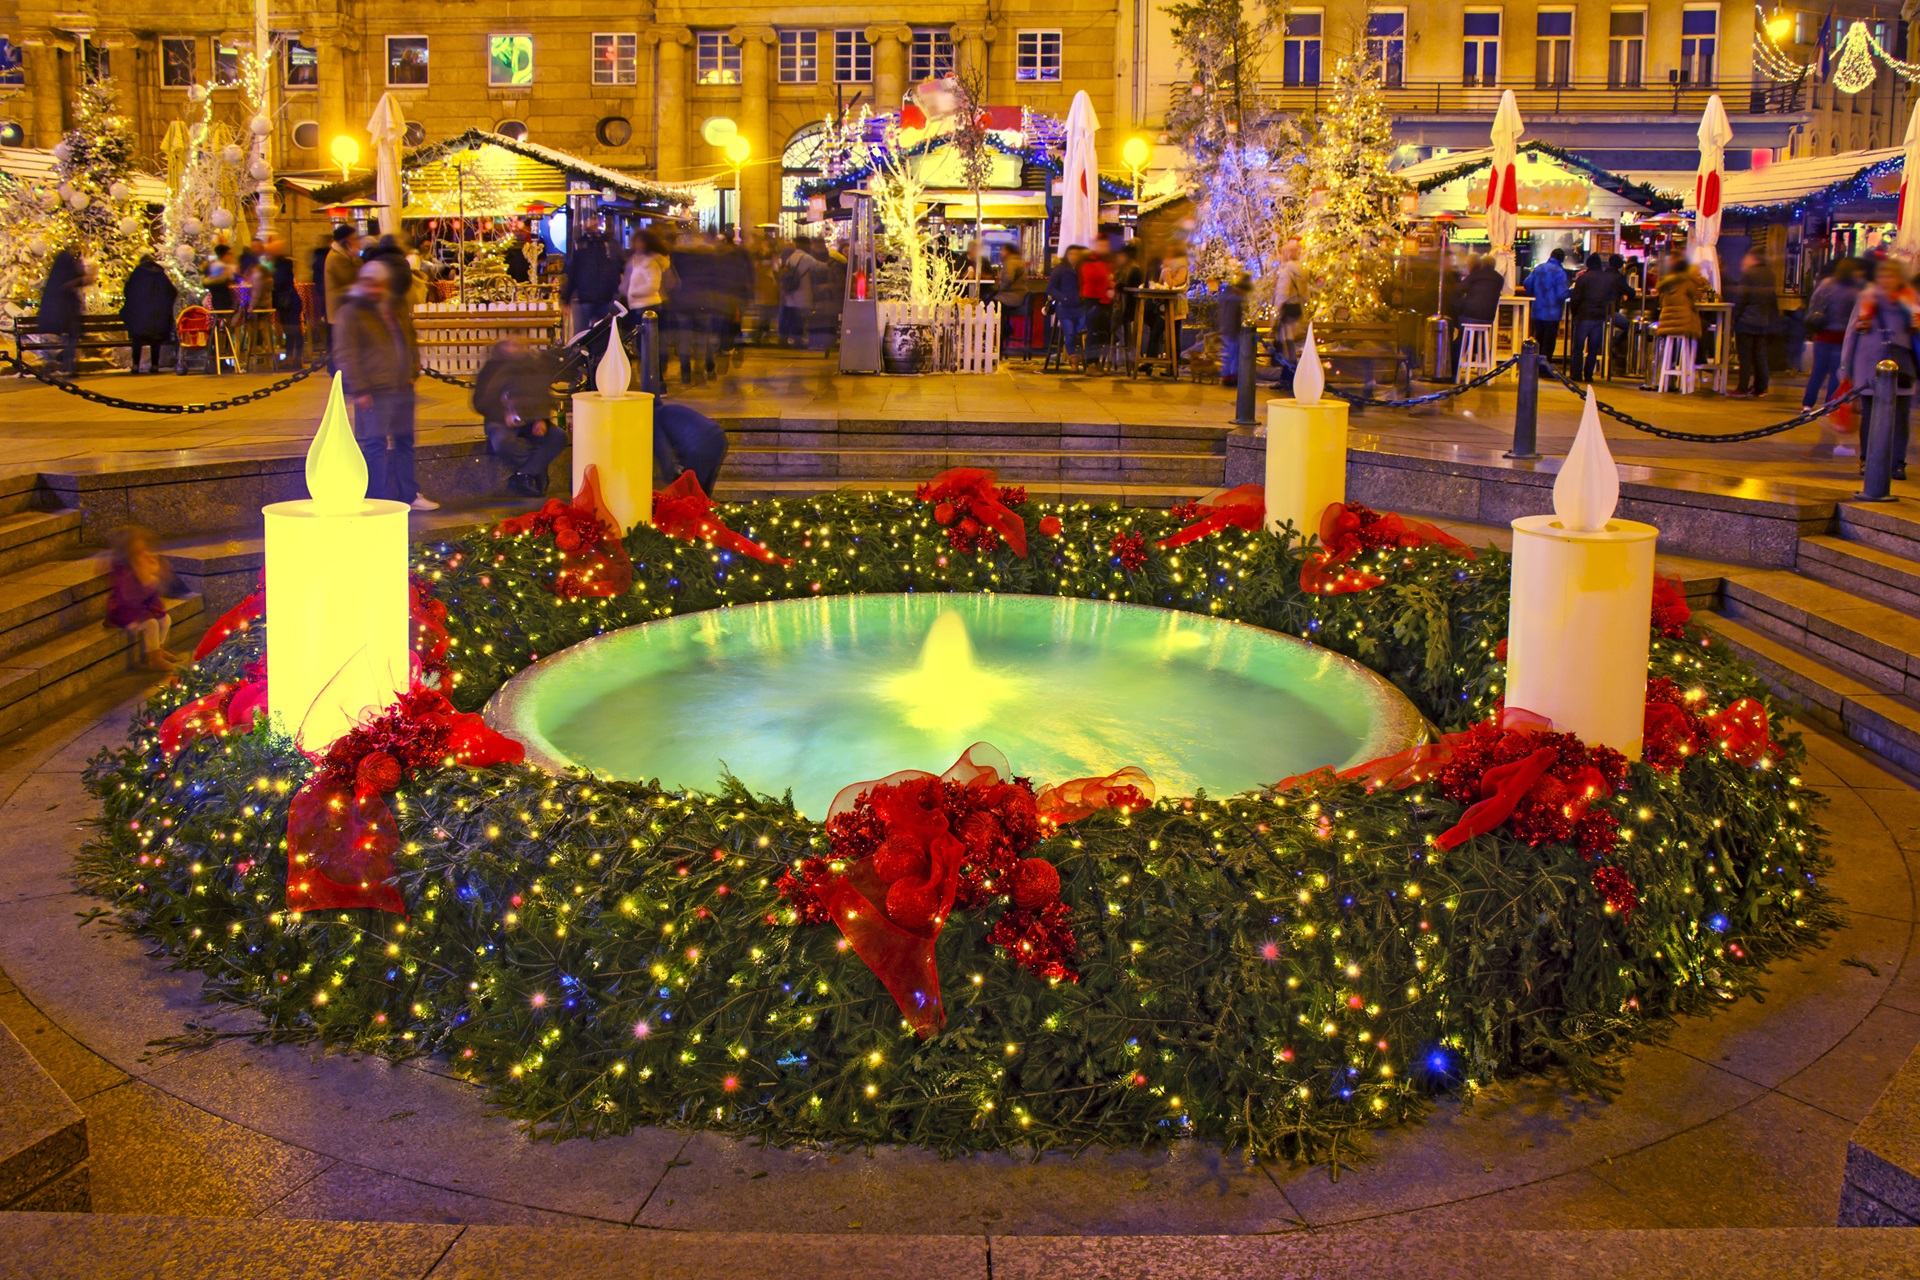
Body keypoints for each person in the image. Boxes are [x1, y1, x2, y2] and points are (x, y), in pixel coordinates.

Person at [333, 260, 434, 509]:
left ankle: (408, 493)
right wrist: (360, 389)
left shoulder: (395, 305)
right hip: (375, 390)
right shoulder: (352, 311)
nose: (376, 289)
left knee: (404, 442)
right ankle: (379, 499)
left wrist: (413, 370)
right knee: (375, 443)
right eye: (371, 284)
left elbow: (408, 338)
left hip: (401, 386)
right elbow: (346, 353)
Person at [1840, 255, 1920, 479]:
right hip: (1868, 365)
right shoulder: (1866, 299)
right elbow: (1851, 335)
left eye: (1891, 276)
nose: (1886, 280)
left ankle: (1897, 463)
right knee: (1869, 415)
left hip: (1901, 367)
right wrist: (1845, 367)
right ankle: (1868, 459)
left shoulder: (1912, 300)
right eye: (1883, 275)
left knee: (1901, 417)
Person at [473, 337, 568, 498]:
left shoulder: (534, 366)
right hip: (500, 421)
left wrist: (541, 419)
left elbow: (543, 396)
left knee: (559, 437)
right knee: (503, 442)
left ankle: (524, 474)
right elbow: (480, 402)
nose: (515, 348)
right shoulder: (492, 368)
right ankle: (536, 470)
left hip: (530, 419)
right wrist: (504, 415)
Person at [105, 526, 179, 670]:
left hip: (143, 606)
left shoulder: (140, 561)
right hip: (125, 610)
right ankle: (153, 658)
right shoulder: (124, 572)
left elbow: (158, 585)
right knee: (151, 624)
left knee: (165, 620)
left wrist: (155, 570)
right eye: (137, 550)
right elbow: (130, 597)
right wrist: (149, 582)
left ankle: (159, 649)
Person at [1803, 258, 1863, 410]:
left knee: (1818, 371)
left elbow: (1814, 302)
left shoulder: (1826, 284)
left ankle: (1808, 404)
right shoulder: (1855, 292)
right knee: (1836, 373)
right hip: (1841, 337)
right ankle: (1829, 405)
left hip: (1822, 334)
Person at [1646, 252, 1708, 390]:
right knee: (1703, 326)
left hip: (1666, 324)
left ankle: (1669, 376)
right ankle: (1698, 360)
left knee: (1676, 343)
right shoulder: (1687, 281)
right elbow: (1697, 295)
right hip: (1684, 324)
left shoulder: (1664, 283)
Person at [1728, 249, 1780, 397]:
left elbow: (1742, 297)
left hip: (1746, 320)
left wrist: (1735, 317)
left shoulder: (1749, 274)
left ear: (1753, 259)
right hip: (1763, 320)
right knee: (1760, 355)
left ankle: (1742, 387)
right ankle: (1760, 387)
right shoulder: (1770, 274)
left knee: (1745, 357)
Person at [562, 216, 624, 334]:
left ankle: (592, 351)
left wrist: (565, 299)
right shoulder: (584, 244)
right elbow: (573, 272)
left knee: (594, 334)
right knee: (593, 334)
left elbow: (572, 272)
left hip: (602, 297)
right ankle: (589, 351)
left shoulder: (586, 244)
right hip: (594, 297)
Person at [655, 401, 730, 497]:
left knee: (686, 495)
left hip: (698, 446)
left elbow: (664, 455)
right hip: (718, 437)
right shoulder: (666, 410)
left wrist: (670, 481)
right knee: (701, 492)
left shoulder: (653, 418)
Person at [119, 254, 176, 374]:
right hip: (158, 316)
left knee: (137, 339)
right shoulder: (161, 275)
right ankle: (155, 365)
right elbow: (172, 292)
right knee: (156, 340)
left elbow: (128, 291)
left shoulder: (137, 275)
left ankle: (135, 365)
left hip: (140, 315)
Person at [1564, 254, 1616, 381]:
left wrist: (1574, 314)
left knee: (1578, 347)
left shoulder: (1583, 279)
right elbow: (1612, 297)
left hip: (1583, 315)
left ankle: (1576, 374)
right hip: (1599, 316)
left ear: (1588, 265)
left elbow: (1575, 299)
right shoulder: (1607, 279)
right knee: (1593, 348)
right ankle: (1589, 375)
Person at [38, 248, 88, 375]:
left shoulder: (59, 269)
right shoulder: (65, 266)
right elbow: (69, 284)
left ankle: (65, 361)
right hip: (64, 313)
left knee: (70, 337)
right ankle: (64, 361)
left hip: (61, 313)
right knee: (71, 336)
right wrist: (85, 278)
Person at [323, 224, 362, 368]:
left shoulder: (342, 256)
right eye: (354, 239)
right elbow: (351, 279)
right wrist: (356, 258)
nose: (357, 242)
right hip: (339, 310)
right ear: (346, 241)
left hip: (344, 310)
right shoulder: (336, 258)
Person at [1523, 248, 1570, 360]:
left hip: (1538, 310)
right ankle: (1544, 367)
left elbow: (1527, 283)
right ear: (1562, 259)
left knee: (1538, 339)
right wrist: (1573, 291)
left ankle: (1535, 366)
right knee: (1549, 342)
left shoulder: (1539, 268)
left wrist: (1534, 293)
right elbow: (1561, 294)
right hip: (1553, 313)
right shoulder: (1560, 272)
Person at [1048, 245, 1088, 369]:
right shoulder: (1060, 270)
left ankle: (1078, 355)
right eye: (1071, 254)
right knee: (1069, 333)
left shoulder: (1083, 270)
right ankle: (1073, 358)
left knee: (1082, 329)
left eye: (1076, 254)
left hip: (1081, 306)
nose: (1073, 257)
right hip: (1065, 308)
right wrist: (1063, 298)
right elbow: (1050, 289)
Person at [267, 236, 305, 367]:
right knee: (290, 330)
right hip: (287, 301)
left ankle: (295, 358)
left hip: (288, 301)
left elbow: (280, 281)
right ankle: (293, 357)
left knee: (292, 330)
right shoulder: (280, 264)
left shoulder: (282, 264)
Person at [1270, 236, 1309, 360]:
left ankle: (1288, 371)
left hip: (1286, 310)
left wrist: (1275, 315)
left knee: (1285, 341)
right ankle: (1292, 368)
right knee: (1290, 341)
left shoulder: (1286, 271)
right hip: (1297, 310)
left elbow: (1282, 294)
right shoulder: (1301, 270)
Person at [1079, 246, 1116, 369]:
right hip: (1093, 300)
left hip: (1103, 301)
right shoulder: (1091, 262)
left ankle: (1096, 362)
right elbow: (1091, 280)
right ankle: (1092, 363)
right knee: (1094, 332)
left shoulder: (1104, 261)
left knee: (1099, 333)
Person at [204, 244, 238, 313]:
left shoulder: (226, 267)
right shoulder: (217, 267)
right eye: (229, 254)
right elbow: (215, 283)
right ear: (224, 255)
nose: (231, 256)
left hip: (223, 299)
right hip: (220, 300)